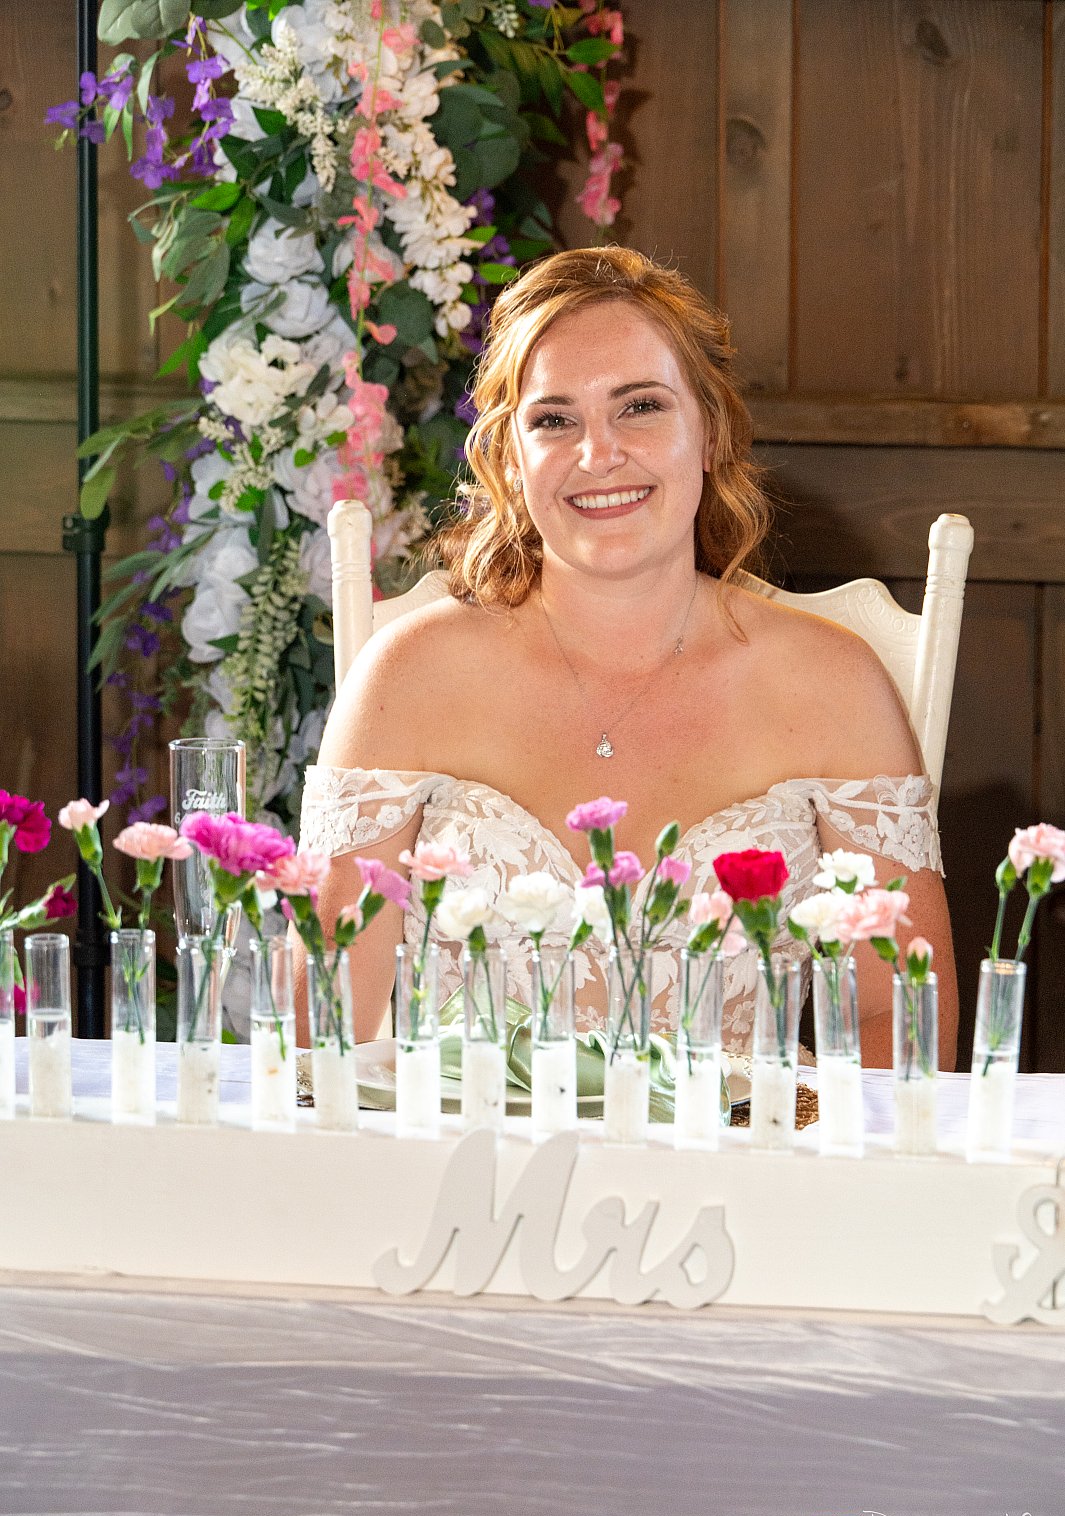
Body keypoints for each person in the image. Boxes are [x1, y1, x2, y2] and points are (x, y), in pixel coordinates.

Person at [299, 246, 958, 1068]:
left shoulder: (832, 683)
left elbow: (898, 1022)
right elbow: (322, 1025)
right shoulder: (409, 676)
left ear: (709, 432)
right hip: (467, 1149)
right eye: (554, 420)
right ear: (510, 458)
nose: (597, 453)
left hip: (747, 1147)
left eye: (640, 406)